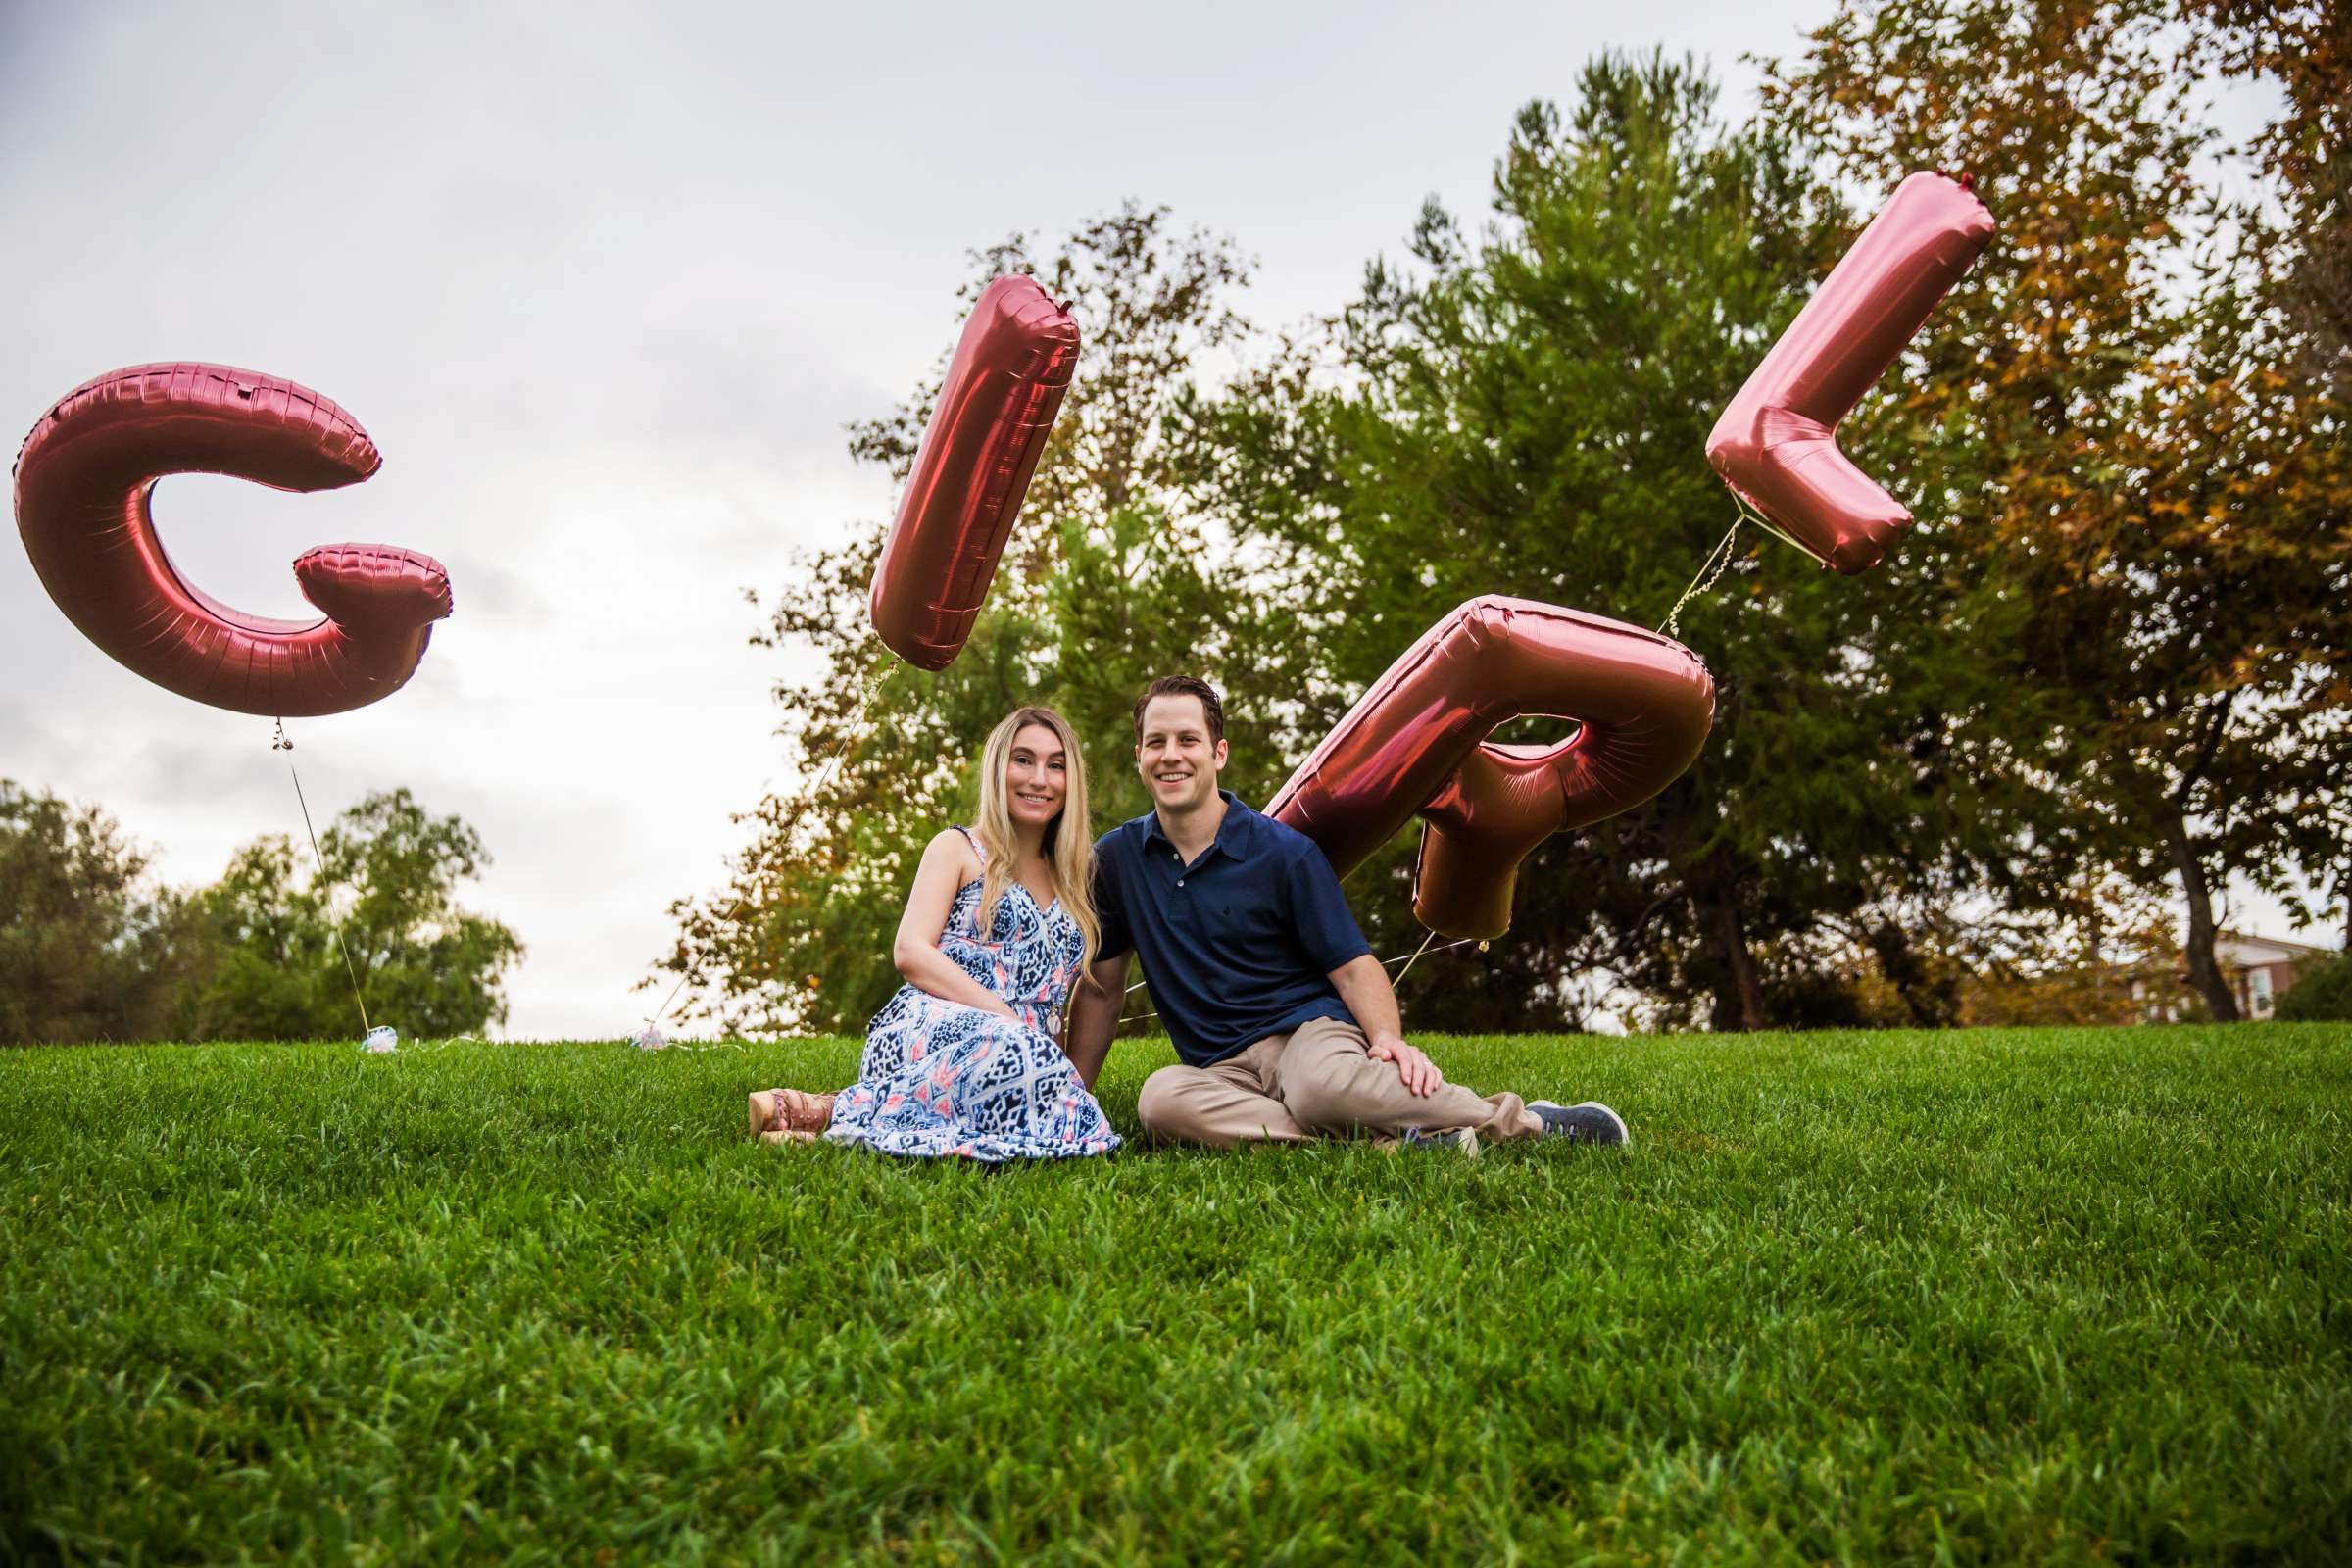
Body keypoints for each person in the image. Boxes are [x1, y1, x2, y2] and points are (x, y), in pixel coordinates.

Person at [1061, 676, 1628, 1152]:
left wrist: (1387, 1039)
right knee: (1159, 1099)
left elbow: (1354, 966)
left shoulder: (1283, 853)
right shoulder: (1116, 861)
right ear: (1139, 757)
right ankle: (1389, 1141)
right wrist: (1074, 1097)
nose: (1171, 755)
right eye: (1155, 742)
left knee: (1317, 1092)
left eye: (1188, 739)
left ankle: (1525, 1121)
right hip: (1220, 1070)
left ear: (1218, 752)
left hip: (1311, 1035)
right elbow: (1102, 990)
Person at [748, 706, 1120, 1161]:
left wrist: (1060, 1072)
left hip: (1024, 1054)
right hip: (932, 1025)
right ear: (998, 768)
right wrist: (1003, 1015)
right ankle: (843, 1109)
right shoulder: (959, 849)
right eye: (1023, 760)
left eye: (1056, 765)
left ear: (1072, 781)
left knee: (1036, 1079)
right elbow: (910, 951)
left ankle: (841, 1121)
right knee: (1012, 1049)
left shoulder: (1077, 877)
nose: (1039, 779)